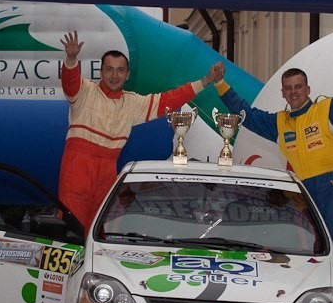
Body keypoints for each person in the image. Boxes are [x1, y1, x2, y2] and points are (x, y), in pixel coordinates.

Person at [215, 45, 333, 246]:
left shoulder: (327, 109)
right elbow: (247, 115)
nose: (293, 92)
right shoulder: (279, 123)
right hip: (303, 193)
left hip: (332, 189)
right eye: (288, 88)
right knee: (312, 249)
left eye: (298, 86)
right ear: (283, 93)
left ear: (307, 89)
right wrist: (221, 84)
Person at [59, 31, 224, 229]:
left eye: (120, 70)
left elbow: (169, 99)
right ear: (100, 72)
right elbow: (69, 84)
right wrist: (71, 59)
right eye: (109, 70)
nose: (114, 76)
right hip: (78, 166)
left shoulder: (132, 102)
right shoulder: (85, 90)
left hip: (108, 169)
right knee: (71, 227)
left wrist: (205, 81)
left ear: (127, 74)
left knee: (99, 229)